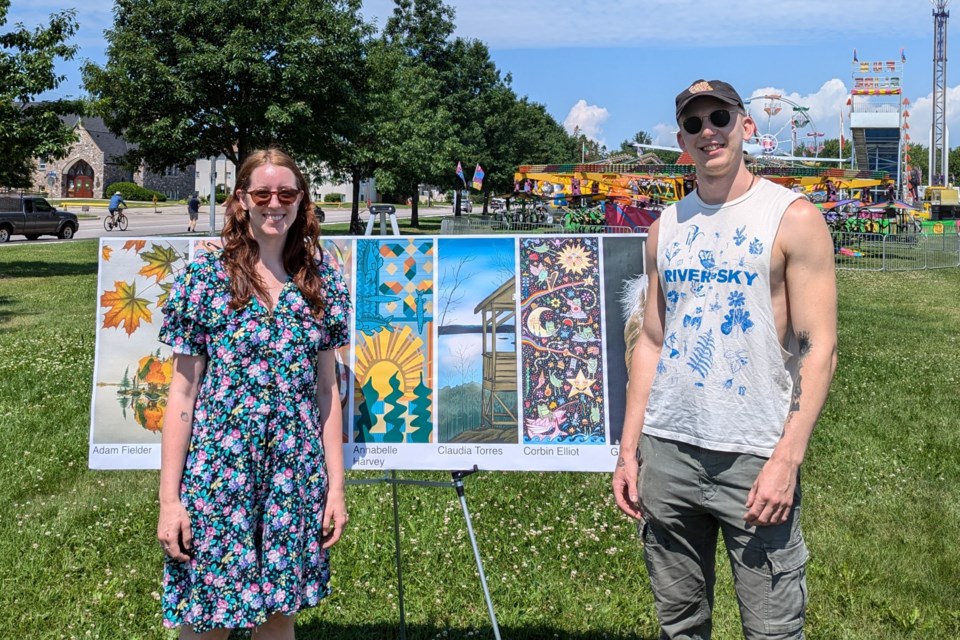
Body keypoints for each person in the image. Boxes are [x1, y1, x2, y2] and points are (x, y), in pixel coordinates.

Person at [612, 79, 838, 639]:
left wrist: (787, 458)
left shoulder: (793, 217)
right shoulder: (665, 228)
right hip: (669, 452)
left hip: (754, 456)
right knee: (679, 624)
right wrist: (628, 451)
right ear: (682, 140)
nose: (708, 131)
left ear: (747, 125)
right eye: (694, 124)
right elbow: (651, 341)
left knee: (773, 629)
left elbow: (819, 346)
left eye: (720, 118)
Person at [157, 147, 351, 638]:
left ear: (300, 200)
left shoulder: (320, 281)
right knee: (206, 622)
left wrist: (336, 488)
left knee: (277, 620)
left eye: (286, 192)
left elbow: (327, 392)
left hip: (295, 474)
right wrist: (169, 501)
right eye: (262, 193)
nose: (274, 203)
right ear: (241, 199)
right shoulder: (205, 279)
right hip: (219, 475)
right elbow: (182, 396)